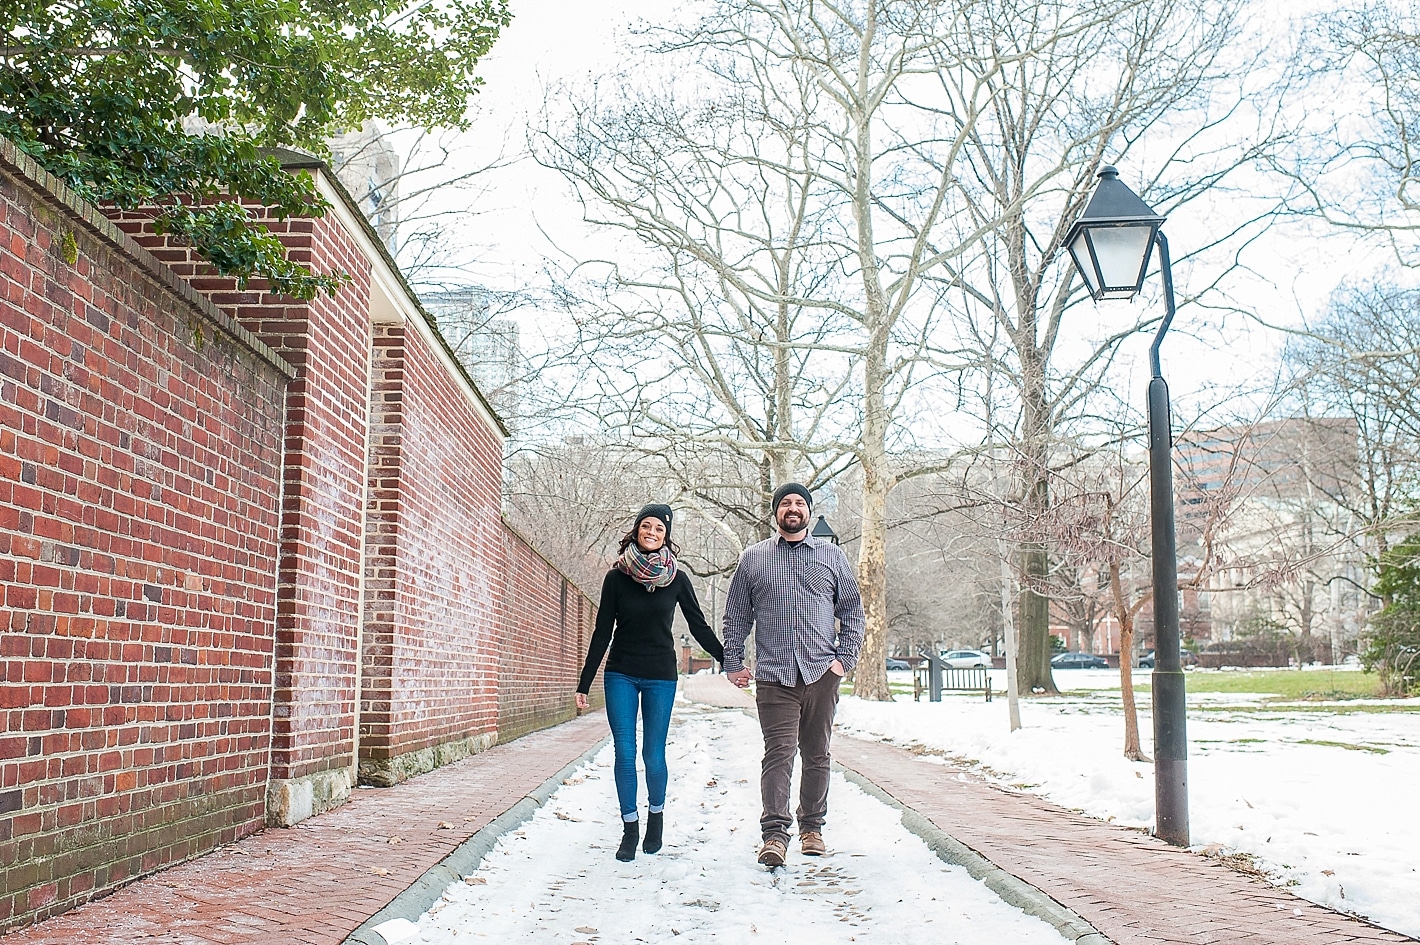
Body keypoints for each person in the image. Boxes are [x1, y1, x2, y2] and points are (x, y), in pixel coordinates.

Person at [722, 483, 864, 868]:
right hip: (774, 674)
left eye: (799, 502)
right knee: (779, 754)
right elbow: (736, 616)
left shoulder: (832, 556)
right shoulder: (753, 558)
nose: (793, 508)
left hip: (821, 671)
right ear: (776, 512)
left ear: (808, 511)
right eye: (786, 503)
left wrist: (843, 661)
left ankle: (812, 828)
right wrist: (733, 662)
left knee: (817, 754)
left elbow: (853, 611)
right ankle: (774, 836)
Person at [576, 503, 724, 862]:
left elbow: (699, 626)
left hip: (660, 675)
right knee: (624, 752)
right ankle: (630, 828)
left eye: (659, 528)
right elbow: (601, 632)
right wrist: (585, 682)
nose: (652, 533)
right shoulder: (616, 578)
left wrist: (727, 658)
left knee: (653, 754)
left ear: (666, 535)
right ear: (637, 530)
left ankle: (655, 817)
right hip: (621, 672)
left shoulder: (677, 580)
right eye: (646, 526)